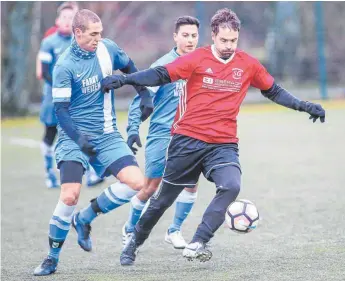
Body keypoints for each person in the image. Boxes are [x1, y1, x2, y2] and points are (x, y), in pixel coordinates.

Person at [100, 8, 326, 266]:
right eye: (224, 41)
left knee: (231, 186)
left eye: (233, 41)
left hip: (223, 144)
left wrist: (304, 105)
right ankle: (134, 241)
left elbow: (273, 91)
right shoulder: (197, 58)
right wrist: (126, 80)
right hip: (187, 140)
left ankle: (198, 240)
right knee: (162, 200)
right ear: (214, 36)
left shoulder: (248, 64)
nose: (229, 46)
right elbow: (162, 74)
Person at [33, 9, 153, 276]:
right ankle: (52, 258)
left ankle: (85, 218)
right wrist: (79, 140)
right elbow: (61, 112)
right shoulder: (64, 65)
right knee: (69, 195)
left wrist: (144, 94)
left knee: (138, 184)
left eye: (100, 32)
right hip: (73, 137)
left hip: (108, 134)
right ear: (78, 33)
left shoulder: (107, 49)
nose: (99, 38)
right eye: (93, 34)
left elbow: (131, 67)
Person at [122, 16, 200, 250]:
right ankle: (129, 229)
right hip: (162, 134)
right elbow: (141, 98)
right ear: (175, 37)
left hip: (189, 136)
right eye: (185, 35)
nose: (190, 40)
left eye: (194, 35)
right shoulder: (164, 66)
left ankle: (174, 230)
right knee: (151, 187)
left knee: (191, 184)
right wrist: (133, 128)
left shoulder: (202, 63)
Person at [37, 2, 103, 188]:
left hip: (79, 99)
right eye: (64, 18)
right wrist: (65, 87)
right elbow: (44, 72)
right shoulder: (49, 43)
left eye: (71, 18)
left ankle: (91, 174)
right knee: (50, 133)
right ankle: (49, 174)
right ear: (58, 20)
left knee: (84, 133)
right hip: (55, 99)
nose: (67, 21)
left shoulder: (81, 42)